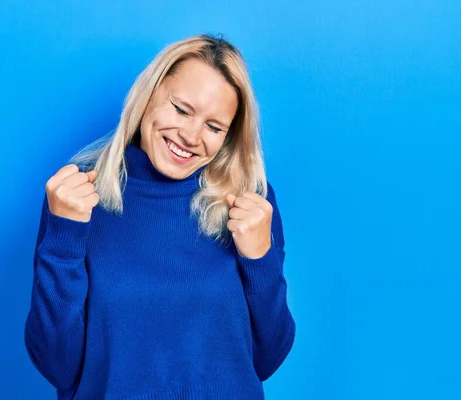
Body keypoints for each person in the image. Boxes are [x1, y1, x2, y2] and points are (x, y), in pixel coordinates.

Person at [24, 33, 296, 400]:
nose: (190, 136)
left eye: (214, 127)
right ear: (148, 95)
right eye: (181, 109)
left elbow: (267, 359)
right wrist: (63, 240)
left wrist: (260, 259)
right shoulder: (78, 195)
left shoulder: (251, 202)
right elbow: (57, 365)